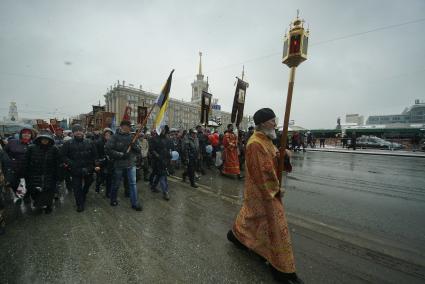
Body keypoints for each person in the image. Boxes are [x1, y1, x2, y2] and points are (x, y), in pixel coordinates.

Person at [227, 108, 303, 284]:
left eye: (275, 120)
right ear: (262, 123)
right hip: (262, 193)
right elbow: (263, 171)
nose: (275, 124)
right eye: (272, 121)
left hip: (265, 192)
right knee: (277, 228)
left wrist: (283, 157)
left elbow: (273, 160)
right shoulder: (255, 143)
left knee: (253, 222)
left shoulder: (267, 140)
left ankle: (236, 236)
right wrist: (274, 190)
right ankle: (281, 269)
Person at [106, 120, 142, 210]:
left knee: (133, 184)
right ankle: (113, 199)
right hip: (119, 164)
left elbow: (139, 150)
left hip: (131, 164)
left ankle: (135, 203)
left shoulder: (132, 137)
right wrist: (121, 154)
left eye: (130, 126)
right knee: (116, 183)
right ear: (122, 127)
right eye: (127, 126)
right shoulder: (115, 137)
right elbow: (108, 149)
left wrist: (134, 145)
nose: (129, 128)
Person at [61, 124, 98, 212]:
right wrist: (71, 163)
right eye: (76, 131)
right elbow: (63, 156)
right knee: (76, 187)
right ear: (73, 133)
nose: (78, 132)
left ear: (83, 131)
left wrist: (95, 165)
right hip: (75, 169)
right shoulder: (68, 143)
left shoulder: (90, 142)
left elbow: (95, 155)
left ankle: (84, 193)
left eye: (80, 130)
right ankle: (79, 204)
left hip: (88, 168)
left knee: (89, 182)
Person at [25, 131, 59, 214]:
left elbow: (57, 162)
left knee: (49, 191)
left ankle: (48, 206)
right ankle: (38, 205)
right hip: (35, 174)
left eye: (47, 139)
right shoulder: (31, 148)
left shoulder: (54, 148)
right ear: (39, 139)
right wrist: (25, 174)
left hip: (49, 174)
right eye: (43, 139)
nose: (45, 140)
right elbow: (26, 162)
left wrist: (58, 174)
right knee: (36, 191)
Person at [5, 127, 34, 203]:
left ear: (31, 135)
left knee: (27, 184)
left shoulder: (33, 144)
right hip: (14, 169)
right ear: (21, 134)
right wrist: (10, 160)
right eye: (24, 133)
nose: (26, 134)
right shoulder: (12, 142)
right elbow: (5, 153)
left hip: (28, 169)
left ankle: (26, 197)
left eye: (28, 133)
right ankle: (18, 196)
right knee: (14, 183)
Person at [149, 125, 171, 201]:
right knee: (163, 177)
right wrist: (158, 156)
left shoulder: (167, 139)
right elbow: (151, 150)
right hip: (157, 161)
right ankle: (165, 192)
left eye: (164, 129)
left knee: (159, 175)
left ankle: (153, 187)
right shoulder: (154, 139)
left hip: (165, 161)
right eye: (162, 129)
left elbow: (168, 150)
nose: (163, 131)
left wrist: (169, 157)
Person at [95, 128, 114, 195]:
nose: (108, 136)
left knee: (109, 179)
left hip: (110, 164)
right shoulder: (99, 142)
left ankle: (108, 193)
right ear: (104, 135)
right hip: (101, 163)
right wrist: (98, 163)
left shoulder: (113, 142)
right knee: (100, 178)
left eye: (109, 135)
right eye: (106, 135)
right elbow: (96, 154)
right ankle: (97, 188)